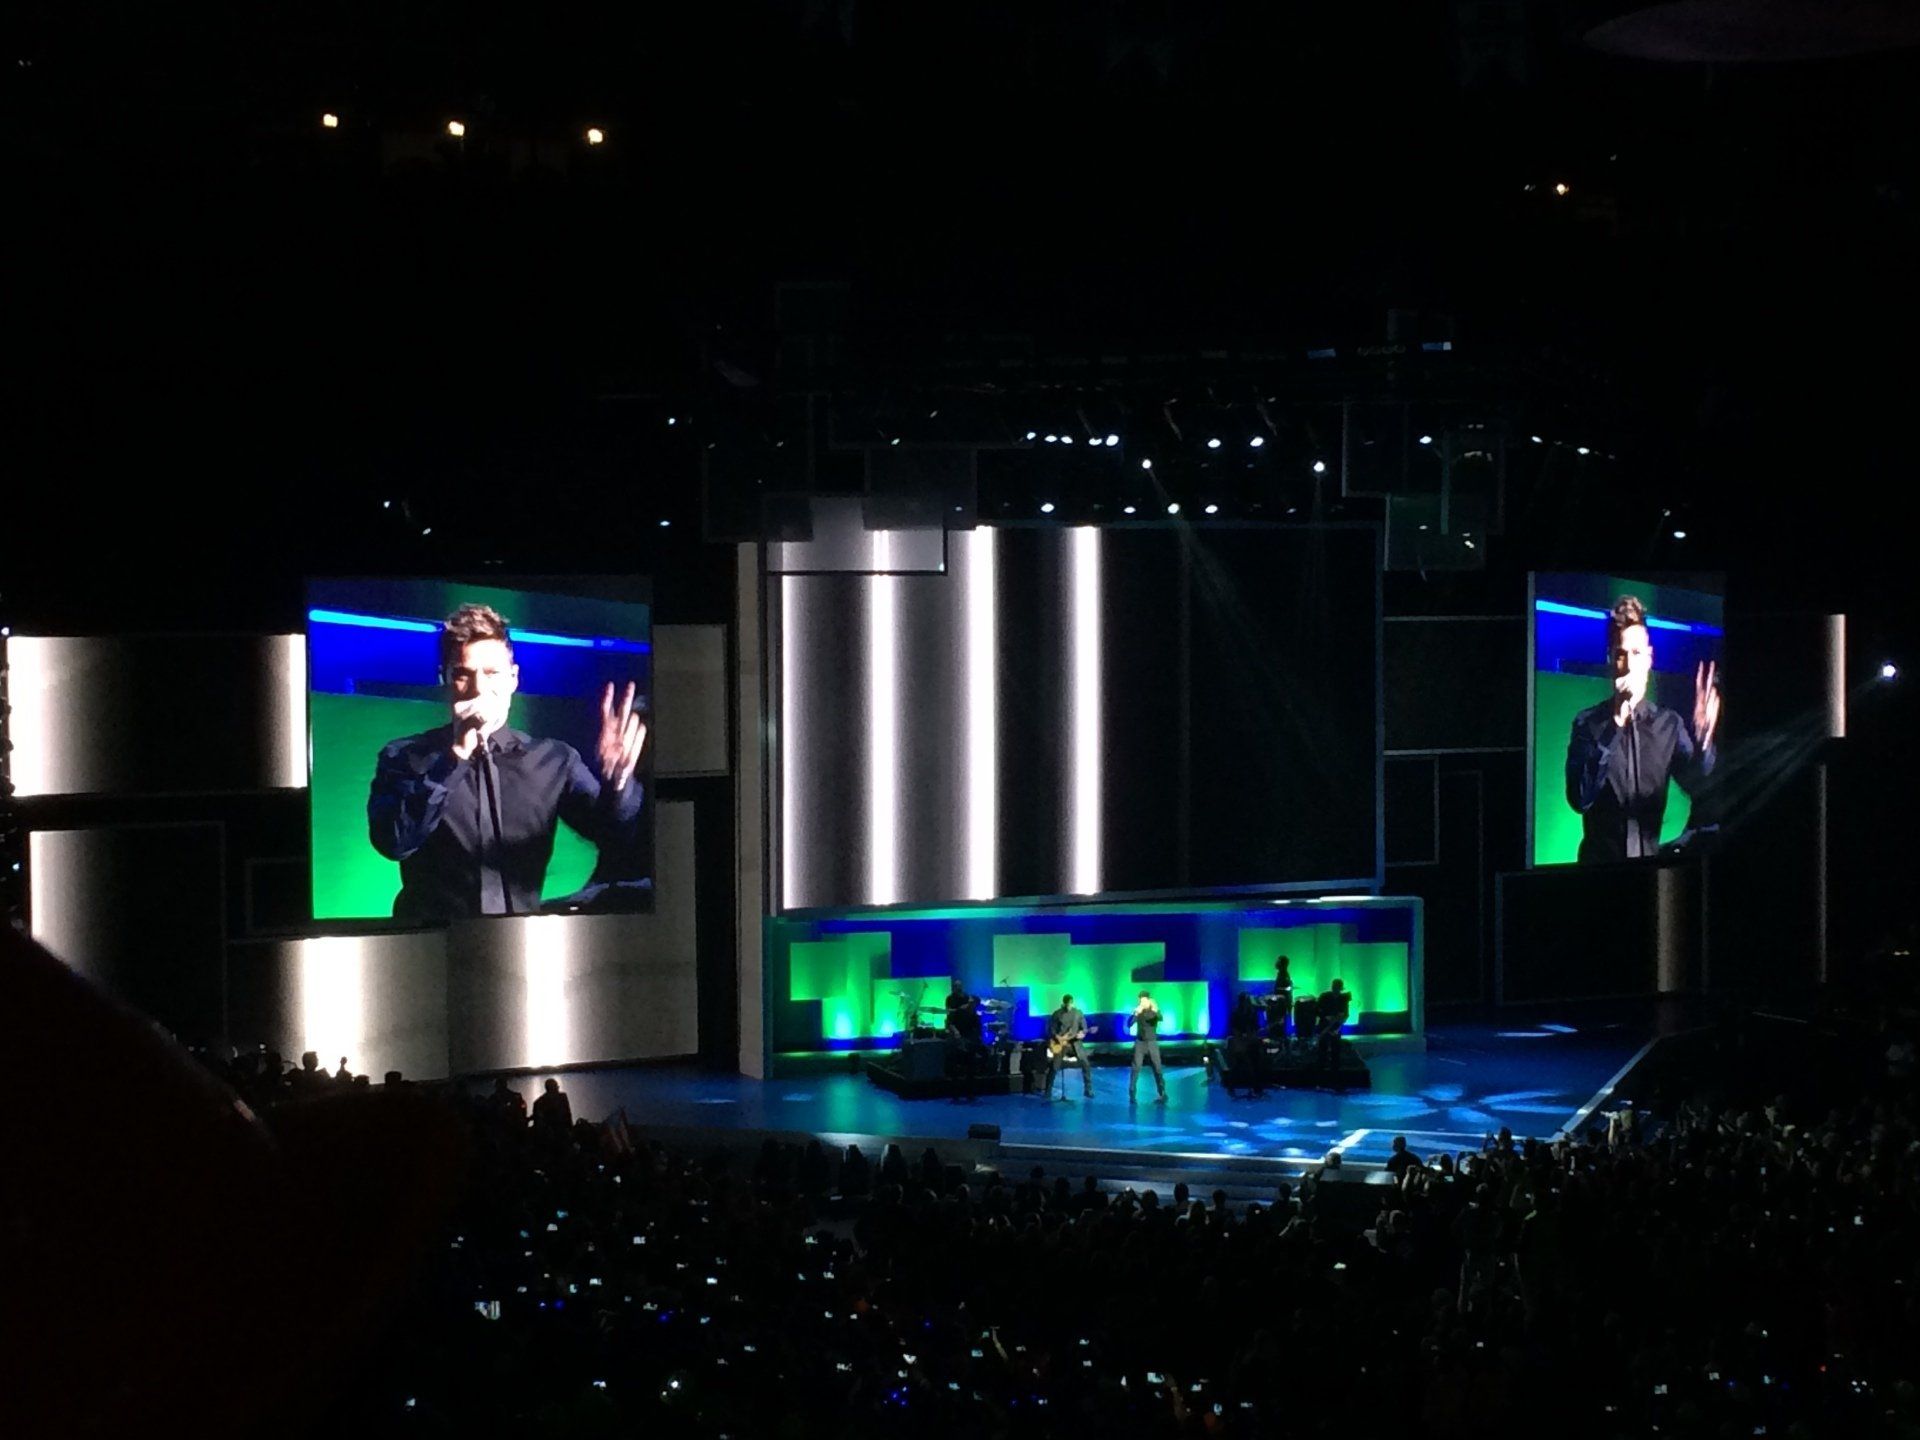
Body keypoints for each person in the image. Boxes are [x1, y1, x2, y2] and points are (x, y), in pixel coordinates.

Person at [367, 603, 649, 924]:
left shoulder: (554, 759)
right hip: (432, 943)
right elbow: (394, 843)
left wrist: (619, 783)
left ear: (513, 678)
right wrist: (456, 754)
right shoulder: (405, 756)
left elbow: (616, 836)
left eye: (492, 673)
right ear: (444, 678)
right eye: (463, 674)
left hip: (520, 943)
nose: (479, 688)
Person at [1565, 593, 1721, 863]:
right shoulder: (1587, 723)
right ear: (1610, 659)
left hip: (1651, 870)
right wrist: (1615, 722)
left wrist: (1704, 743)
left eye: (1636, 653)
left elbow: (1701, 788)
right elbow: (1580, 799)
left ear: (1649, 658)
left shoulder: (1669, 725)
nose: (1629, 665)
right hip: (1598, 872)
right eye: (1621, 655)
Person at [1044, 994, 1094, 1100]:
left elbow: (1084, 1028)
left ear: (1072, 1003)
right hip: (1061, 1044)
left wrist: (1082, 1034)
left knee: (1085, 1063)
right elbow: (1051, 1029)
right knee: (1054, 1066)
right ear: (1063, 1003)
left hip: (1075, 1043)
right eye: (1067, 1004)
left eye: (1070, 1004)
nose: (1068, 1006)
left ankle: (1088, 1089)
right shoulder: (1057, 1014)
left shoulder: (1078, 1013)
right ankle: (1048, 1091)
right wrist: (1058, 1037)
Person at [1128, 990, 1168, 1104]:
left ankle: (1162, 1093)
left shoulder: (1153, 1011)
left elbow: (1160, 1018)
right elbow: (1129, 1024)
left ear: (1149, 1000)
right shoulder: (1139, 1012)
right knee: (1136, 1068)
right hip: (1140, 1043)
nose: (1142, 1002)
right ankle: (1132, 1095)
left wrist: (1156, 1009)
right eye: (1140, 1001)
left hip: (1152, 1043)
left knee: (1157, 1068)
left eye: (1144, 1000)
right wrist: (1136, 1013)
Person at [1315, 978, 1351, 1069]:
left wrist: (1341, 1021)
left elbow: (1346, 1014)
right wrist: (1326, 1017)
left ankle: (1335, 1067)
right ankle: (1322, 1066)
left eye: (1338, 988)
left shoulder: (1343, 999)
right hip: (1325, 1024)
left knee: (1336, 1048)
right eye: (1335, 987)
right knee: (1323, 1046)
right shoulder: (1324, 996)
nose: (1336, 990)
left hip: (1336, 1026)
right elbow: (1317, 1010)